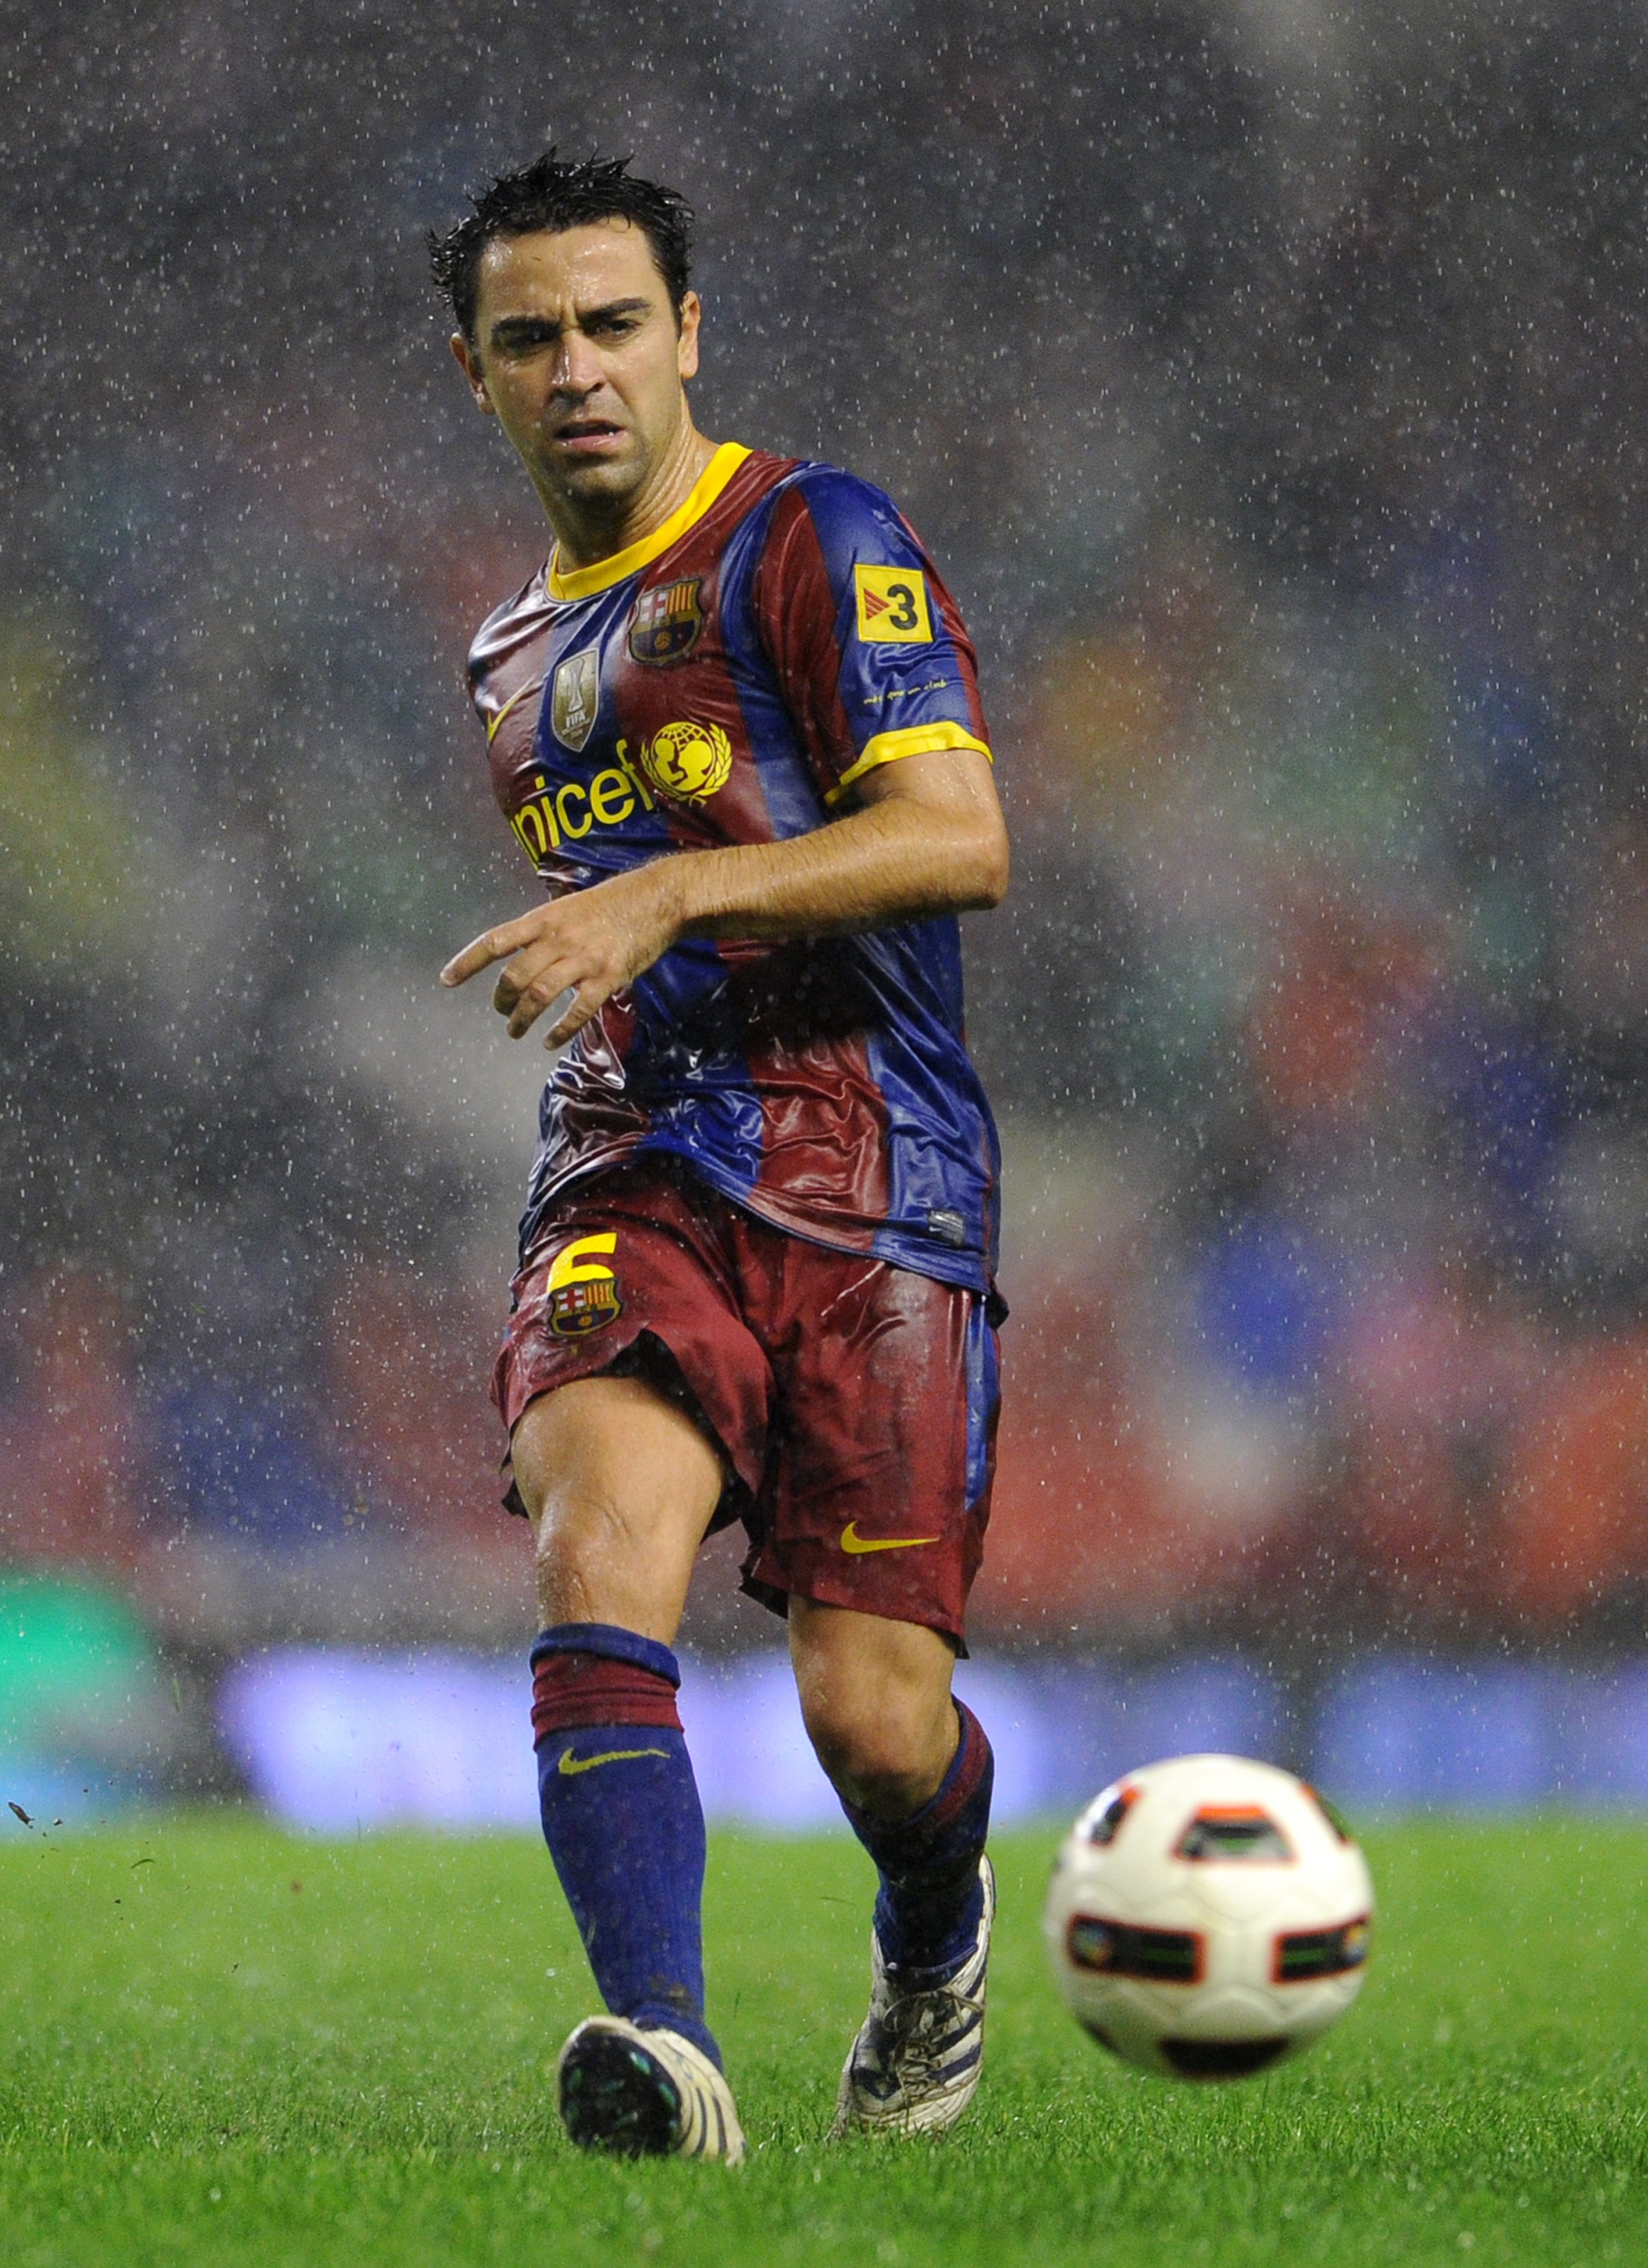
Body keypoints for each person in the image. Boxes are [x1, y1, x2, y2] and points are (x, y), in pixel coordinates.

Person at [430, 150, 1009, 2163]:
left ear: (685, 333)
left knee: (871, 1722)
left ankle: (933, 1928)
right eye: (529, 339)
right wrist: (637, 942)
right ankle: (660, 2057)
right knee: (594, 1546)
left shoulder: (807, 533)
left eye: (610, 323)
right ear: (475, 375)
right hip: (633, 1159)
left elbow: (959, 838)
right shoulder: (505, 656)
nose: (575, 367)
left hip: (881, 1174)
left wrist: (676, 893)